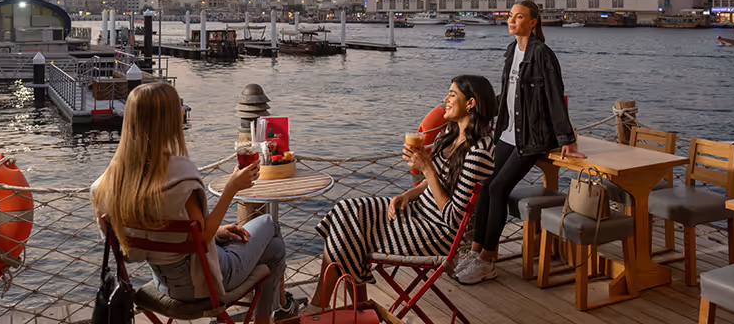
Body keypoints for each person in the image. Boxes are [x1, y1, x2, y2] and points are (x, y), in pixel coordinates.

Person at [91, 82, 301, 324]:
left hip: (161, 284)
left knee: (274, 249)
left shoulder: (110, 184)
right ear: (167, 120)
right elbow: (201, 239)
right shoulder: (179, 178)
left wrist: (219, 231)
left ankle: (268, 318)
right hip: (206, 285)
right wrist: (232, 188)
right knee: (270, 225)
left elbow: (135, 248)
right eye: (178, 106)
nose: (182, 111)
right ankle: (276, 313)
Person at [305, 75, 498, 314]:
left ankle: (321, 308)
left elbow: (452, 218)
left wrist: (427, 168)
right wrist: (408, 195)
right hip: (418, 212)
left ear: (471, 103)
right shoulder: (449, 134)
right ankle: (355, 307)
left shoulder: (479, 152)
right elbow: (432, 184)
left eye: (452, 94)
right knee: (346, 210)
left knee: (353, 226)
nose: (445, 99)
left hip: (437, 232)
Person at [454, 0, 585, 285]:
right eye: (511, 16)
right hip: (508, 133)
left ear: (533, 22)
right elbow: (509, 96)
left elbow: (554, 97)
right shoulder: (512, 50)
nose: (512, 21)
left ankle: (488, 260)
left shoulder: (542, 55)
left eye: (519, 17)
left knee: (499, 187)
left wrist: (566, 139)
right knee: (485, 186)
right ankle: (475, 252)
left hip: (533, 138)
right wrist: (481, 112)